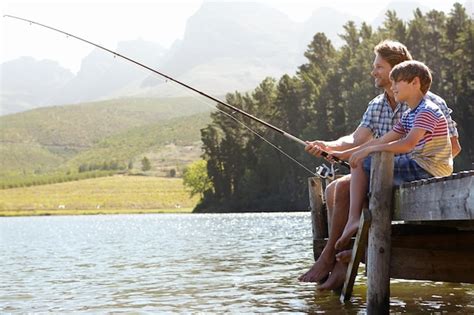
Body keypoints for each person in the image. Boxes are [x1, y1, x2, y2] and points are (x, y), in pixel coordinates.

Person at [298, 40, 461, 290]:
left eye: (379, 67)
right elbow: (356, 140)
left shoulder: (429, 104)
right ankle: (340, 260)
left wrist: (377, 153)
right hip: (382, 170)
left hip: (414, 172)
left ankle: (334, 257)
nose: (373, 72)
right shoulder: (378, 105)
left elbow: (451, 148)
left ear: (398, 70)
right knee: (333, 189)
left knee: (341, 189)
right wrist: (329, 147)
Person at [332, 60, 453, 250]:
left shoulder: (427, 110)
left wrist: (369, 151)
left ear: (415, 83)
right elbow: (384, 139)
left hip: (428, 168)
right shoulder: (409, 114)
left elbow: (407, 144)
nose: (393, 86)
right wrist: (359, 151)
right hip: (416, 163)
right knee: (363, 162)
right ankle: (355, 222)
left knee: (366, 162)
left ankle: (354, 219)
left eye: (397, 82)